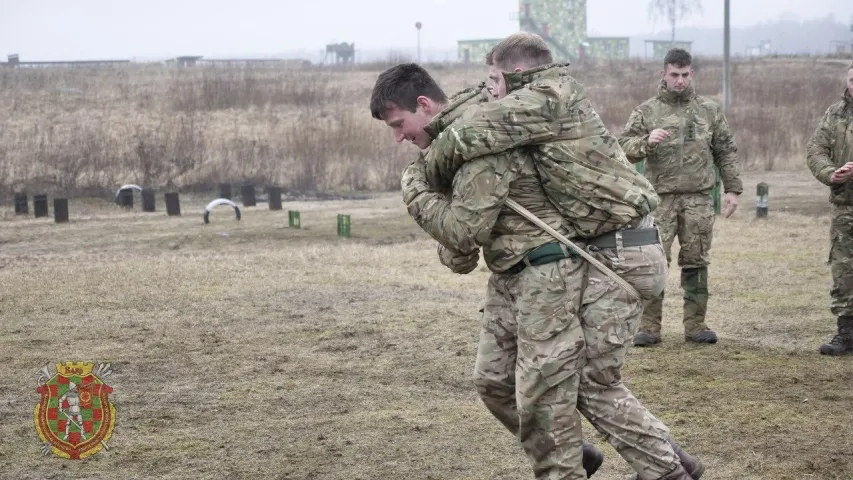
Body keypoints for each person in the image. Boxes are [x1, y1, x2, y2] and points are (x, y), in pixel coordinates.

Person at [371, 33, 702, 479]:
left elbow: (464, 227)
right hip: (550, 264)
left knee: (570, 388)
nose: (491, 89)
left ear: (426, 104)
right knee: (505, 384)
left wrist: (416, 184)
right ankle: (648, 459)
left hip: (597, 259)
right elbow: (461, 248)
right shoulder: (491, 124)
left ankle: (665, 468)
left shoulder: (526, 110)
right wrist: (434, 175)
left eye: (398, 126)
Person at [618, 48, 743, 347]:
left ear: (692, 74)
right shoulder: (646, 111)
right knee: (653, 262)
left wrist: (732, 190)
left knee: (696, 261)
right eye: (674, 75)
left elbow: (725, 151)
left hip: (699, 199)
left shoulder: (709, 111)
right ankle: (648, 327)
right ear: (663, 74)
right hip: (659, 199)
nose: (680, 81)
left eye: (685, 75)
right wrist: (646, 142)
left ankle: (696, 325)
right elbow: (623, 147)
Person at [806, 61, 853, 356]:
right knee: (844, 270)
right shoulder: (834, 114)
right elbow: (816, 149)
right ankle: (846, 333)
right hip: (844, 206)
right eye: (852, 78)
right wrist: (831, 173)